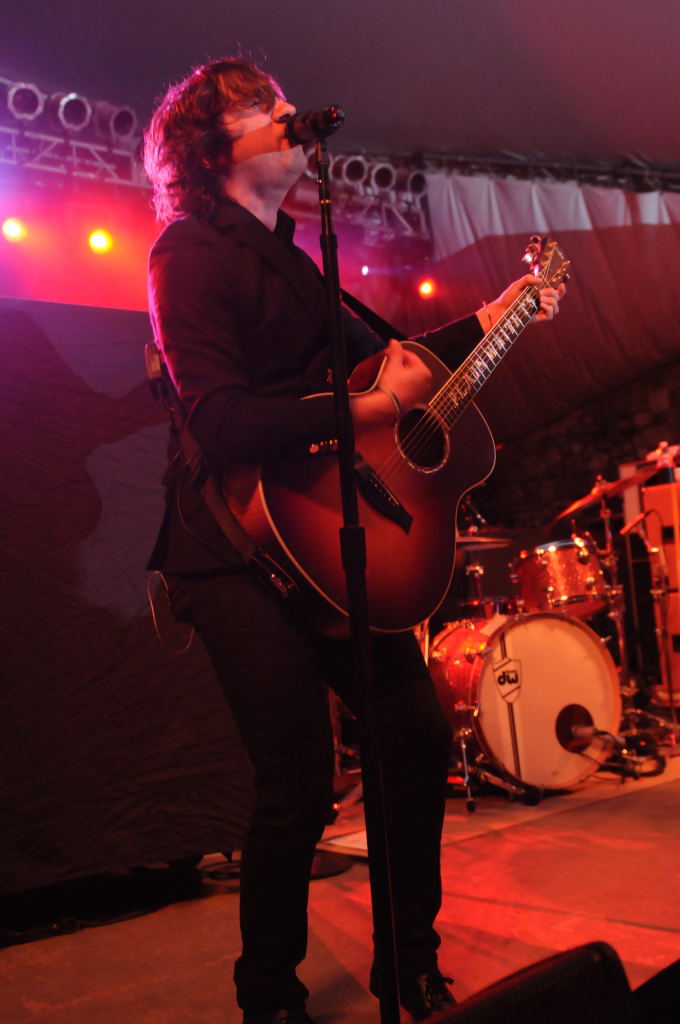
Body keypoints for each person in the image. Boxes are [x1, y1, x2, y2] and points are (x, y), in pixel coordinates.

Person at [143, 56, 565, 1024]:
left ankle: (408, 965)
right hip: (236, 553)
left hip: (336, 542)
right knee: (295, 782)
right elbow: (220, 421)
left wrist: (494, 319)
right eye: (264, 106)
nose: (288, 113)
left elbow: (395, 372)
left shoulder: (298, 261)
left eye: (284, 101)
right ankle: (269, 996)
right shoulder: (187, 253)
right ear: (209, 146)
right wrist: (368, 405)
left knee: (415, 743)